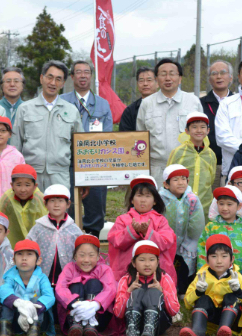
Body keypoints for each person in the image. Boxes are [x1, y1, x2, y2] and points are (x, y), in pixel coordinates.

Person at [11, 60, 84, 190]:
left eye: (58, 79)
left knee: (58, 210)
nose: (53, 83)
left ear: (62, 83)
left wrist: (82, 179)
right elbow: (16, 146)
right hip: (29, 176)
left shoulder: (72, 111)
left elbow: (79, 149)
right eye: (49, 77)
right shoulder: (24, 109)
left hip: (60, 176)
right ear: (41, 78)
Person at [60, 60, 113, 237]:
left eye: (86, 72)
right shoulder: (61, 102)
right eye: (78, 72)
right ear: (72, 76)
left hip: (94, 164)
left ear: (91, 76)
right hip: (67, 164)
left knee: (96, 209)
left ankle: (93, 242)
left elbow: (107, 136)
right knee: (67, 207)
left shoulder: (103, 104)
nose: (83, 75)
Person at [136, 58, 204, 177]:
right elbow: (140, 137)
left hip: (187, 166)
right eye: (163, 74)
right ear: (157, 79)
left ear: (180, 78)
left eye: (172, 74)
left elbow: (202, 135)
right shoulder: (147, 103)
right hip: (157, 169)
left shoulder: (193, 101)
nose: (168, 78)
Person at [180, 234, 242, 336]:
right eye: (214, 256)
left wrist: (238, 291)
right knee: (203, 299)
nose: (219, 261)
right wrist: (198, 292)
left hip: (233, 321)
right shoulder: (201, 276)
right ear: (207, 260)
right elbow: (188, 304)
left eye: (224, 256)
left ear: (232, 259)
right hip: (210, 320)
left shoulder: (238, 278)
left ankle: (223, 333)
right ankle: (197, 334)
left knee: (231, 297)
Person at [107, 175, 178, 284]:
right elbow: (116, 241)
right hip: (127, 271)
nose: (143, 200)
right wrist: (132, 231)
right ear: (132, 200)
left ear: (155, 201)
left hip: (155, 273)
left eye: (148, 196)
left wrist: (147, 232)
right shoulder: (122, 219)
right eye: (139, 195)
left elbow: (166, 242)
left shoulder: (161, 220)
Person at [114, 240, 182, 336]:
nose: (147, 264)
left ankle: (149, 330)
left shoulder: (164, 278)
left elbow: (174, 310)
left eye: (151, 260)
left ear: (157, 262)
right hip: (133, 323)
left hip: (159, 324)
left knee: (154, 291)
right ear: (133, 262)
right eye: (142, 260)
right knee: (137, 291)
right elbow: (118, 313)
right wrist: (129, 292)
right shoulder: (126, 280)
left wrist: (161, 290)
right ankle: (132, 333)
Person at [55, 235, 120, 336]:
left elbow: (110, 289)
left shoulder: (105, 269)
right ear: (75, 256)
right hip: (73, 312)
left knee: (93, 283)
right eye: (82, 255)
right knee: (76, 285)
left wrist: (95, 304)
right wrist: (73, 303)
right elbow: (60, 286)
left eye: (91, 255)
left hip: (98, 315)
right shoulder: (69, 268)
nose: (86, 260)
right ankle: (76, 322)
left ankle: (92, 322)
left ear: (98, 256)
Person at [0, 240, 56, 336]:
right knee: (7, 302)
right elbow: (4, 290)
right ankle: (5, 333)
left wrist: (33, 308)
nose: (24, 258)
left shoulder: (42, 278)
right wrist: (17, 302)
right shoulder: (10, 276)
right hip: (16, 318)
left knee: (37, 301)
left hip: (36, 317)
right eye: (19, 254)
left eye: (29, 254)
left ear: (38, 260)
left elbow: (50, 296)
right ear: (13, 260)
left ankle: (33, 333)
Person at [25, 184, 83, 287]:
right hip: (41, 279)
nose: (56, 205)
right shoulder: (38, 228)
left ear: (68, 204)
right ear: (45, 204)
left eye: (61, 201)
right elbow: (27, 246)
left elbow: (81, 251)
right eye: (52, 201)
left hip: (68, 280)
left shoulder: (74, 230)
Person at [159, 164, 205, 292]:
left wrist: (190, 240)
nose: (181, 183)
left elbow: (197, 222)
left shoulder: (192, 199)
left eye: (183, 179)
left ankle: (183, 290)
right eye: (175, 179)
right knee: (167, 266)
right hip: (166, 242)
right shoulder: (161, 199)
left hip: (187, 241)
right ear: (166, 184)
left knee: (185, 265)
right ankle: (167, 289)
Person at [197, 186, 242, 278]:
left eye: (229, 204)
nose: (224, 208)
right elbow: (202, 251)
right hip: (214, 278)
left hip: (240, 278)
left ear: (239, 206)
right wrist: (203, 275)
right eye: (221, 204)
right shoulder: (211, 227)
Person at [167, 112, 217, 215]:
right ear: (187, 131)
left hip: (204, 205)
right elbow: (168, 177)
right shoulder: (178, 152)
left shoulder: (211, 154)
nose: (199, 130)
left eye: (203, 127)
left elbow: (210, 180)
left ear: (208, 131)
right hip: (180, 204)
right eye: (194, 127)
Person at [200, 60, 235, 180]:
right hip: (208, 163)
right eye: (214, 73)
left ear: (231, 78)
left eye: (223, 72)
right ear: (210, 80)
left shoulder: (239, 103)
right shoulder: (200, 104)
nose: (219, 76)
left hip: (234, 162)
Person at [0, 164, 47, 247]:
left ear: (35, 186)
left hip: (37, 245)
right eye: (18, 185)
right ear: (12, 185)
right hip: (11, 246)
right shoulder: (7, 198)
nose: (23, 189)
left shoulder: (40, 199)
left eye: (27, 185)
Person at [119, 67, 157, 132]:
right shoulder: (130, 111)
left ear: (158, 83)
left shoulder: (166, 105)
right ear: (137, 84)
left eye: (149, 80)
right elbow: (124, 137)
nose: (145, 84)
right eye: (141, 81)